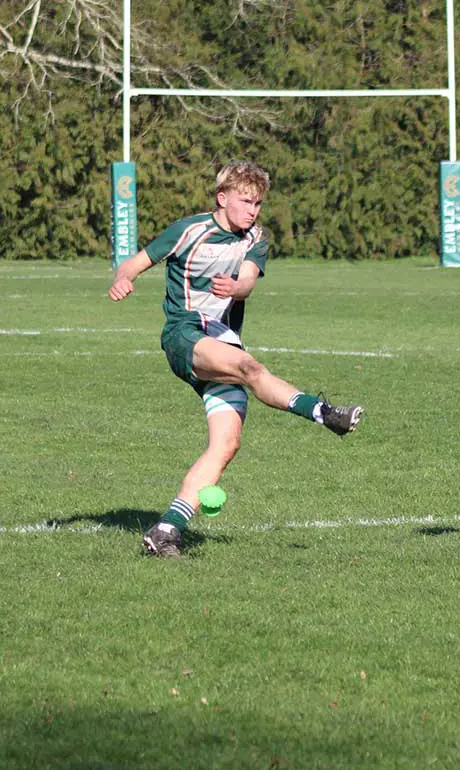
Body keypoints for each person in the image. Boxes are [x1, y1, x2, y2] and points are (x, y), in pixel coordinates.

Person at [108, 161, 364, 557]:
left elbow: (246, 281)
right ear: (222, 198)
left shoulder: (256, 237)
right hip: (185, 333)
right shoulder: (188, 230)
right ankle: (323, 412)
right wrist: (123, 279)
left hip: (224, 340)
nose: (253, 210)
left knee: (226, 444)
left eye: (258, 203)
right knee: (250, 368)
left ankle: (166, 531)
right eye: (246, 201)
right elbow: (134, 263)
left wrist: (236, 287)